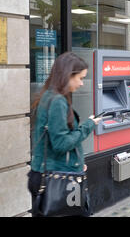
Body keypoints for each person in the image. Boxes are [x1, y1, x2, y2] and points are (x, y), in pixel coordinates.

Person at [28, 52, 102, 216]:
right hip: (55, 180)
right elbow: (61, 143)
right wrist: (88, 126)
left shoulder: (49, 96)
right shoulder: (57, 102)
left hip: (47, 174)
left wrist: (75, 163)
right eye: (80, 78)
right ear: (68, 75)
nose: (82, 83)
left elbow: (53, 139)